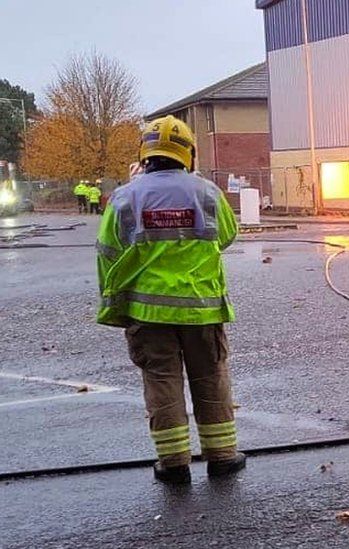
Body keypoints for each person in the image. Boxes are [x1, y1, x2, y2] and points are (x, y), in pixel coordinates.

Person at [95, 115, 244, 484]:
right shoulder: (207, 192)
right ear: (188, 153)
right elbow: (227, 235)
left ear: (144, 155)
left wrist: (115, 305)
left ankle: (173, 463)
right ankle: (223, 457)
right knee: (210, 377)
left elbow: (108, 252)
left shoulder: (125, 197)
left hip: (148, 314)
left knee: (162, 382)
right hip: (202, 310)